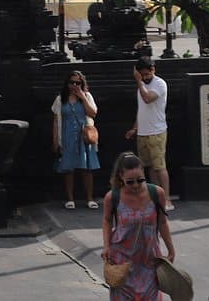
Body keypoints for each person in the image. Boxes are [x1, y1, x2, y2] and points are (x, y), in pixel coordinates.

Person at [102, 151, 175, 300]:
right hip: (122, 262)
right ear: (121, 177)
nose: (135, 185)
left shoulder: (157, 193)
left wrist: (170, 249)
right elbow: (107, 220)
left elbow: (162, 222)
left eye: (140, 180)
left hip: (149, 259)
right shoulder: (113, 197)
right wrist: (106, 246)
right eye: (130, 182)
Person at [124, 56, 174, 212]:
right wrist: (135, 127)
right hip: (143, 131)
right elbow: (142, 110)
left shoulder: (159, 84)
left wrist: (139, 82)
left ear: (153, 70)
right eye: (142, 75)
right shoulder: (142, 87)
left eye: (147, 74)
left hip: (157, 131)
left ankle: (166, 199)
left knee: (160, 166)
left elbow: (147, 99)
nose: (145, 78)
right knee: (149, 166)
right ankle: (154, 196)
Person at [52, 69, 100, 209]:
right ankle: (70, 198)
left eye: (77, 83)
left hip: (83, 136)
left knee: (87, 168)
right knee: (68, 168)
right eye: (71, 82)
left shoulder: (87, 96)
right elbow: (56, 121)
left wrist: (83, 97)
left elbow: (93, 113)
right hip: (67, 135)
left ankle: (90, 198)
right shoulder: (61, 99)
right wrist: (55, 140)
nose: (74, 85)